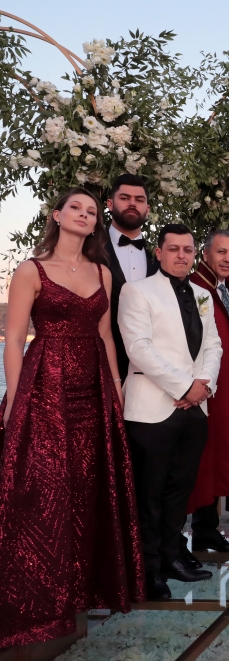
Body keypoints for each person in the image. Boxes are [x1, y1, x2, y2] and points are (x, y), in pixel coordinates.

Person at [0, 189, 144, 648]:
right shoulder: (31, 269)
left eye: (91, 211)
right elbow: (15, 338)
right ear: (56, 215)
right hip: (45, 386)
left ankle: (85, 591)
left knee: (89, 484)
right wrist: (16, 397)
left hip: (94, 388)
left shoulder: (103, 271)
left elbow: (104, 334)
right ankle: (40, 602)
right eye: (75, 208)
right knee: (46, 488)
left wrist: (116, 389)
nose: (84, 215)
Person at [118, 223, 223, 600]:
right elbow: (139, 347)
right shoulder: (136, 291)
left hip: (195, 409)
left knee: (178, 493)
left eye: (188, 249)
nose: (182, 255)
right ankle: (147, 572)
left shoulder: (202, 295)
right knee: (149, 494)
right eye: (174, 249)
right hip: (151, 409)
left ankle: (169, 559)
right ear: (158, 253)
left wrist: (203, 385)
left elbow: (214, 346)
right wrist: (183, 386)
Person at [186, 229, 229, 556]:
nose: (227, 259)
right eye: (221, 252)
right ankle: (187, 535)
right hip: (200, 385)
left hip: (224, 385)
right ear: (205, 254)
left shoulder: (228, 290)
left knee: (215, 455)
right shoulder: (194, 288)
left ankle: (205, 530)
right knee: (198, 458)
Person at [102, 174, 158, 380]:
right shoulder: (89, 251)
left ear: (148, 209)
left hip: (152, 372)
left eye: (139, 200)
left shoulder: (159, 258)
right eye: (125, 198)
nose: (132, 203)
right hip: (99, 366)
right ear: (110, 204)